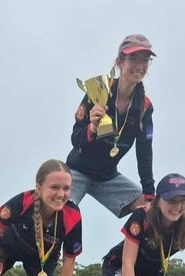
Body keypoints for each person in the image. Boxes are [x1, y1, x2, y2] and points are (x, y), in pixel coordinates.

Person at [66, 34, 156, 218]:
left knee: (153, 211)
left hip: (108, 176)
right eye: (133, 58)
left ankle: (131, 238)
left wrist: (149, 194)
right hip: (77, 170)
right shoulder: (98, 89)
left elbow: (144, 151)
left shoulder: (145, 106)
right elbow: (75, 138)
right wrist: (91, 129)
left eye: (145, 60)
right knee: (59, 209)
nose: (140, 66)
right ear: (120, 62)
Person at [0, 159, 83, 276]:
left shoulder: (72, 215)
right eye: (54, 187)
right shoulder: (23, 201)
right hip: (9, 246)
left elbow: (69, 261)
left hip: (42, 258)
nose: (61, 194)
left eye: (66, 188)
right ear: (39, 188)